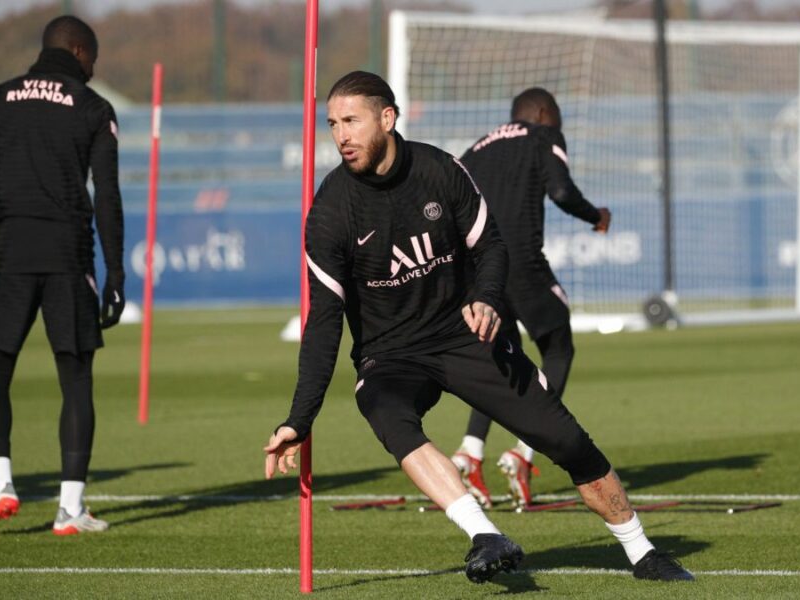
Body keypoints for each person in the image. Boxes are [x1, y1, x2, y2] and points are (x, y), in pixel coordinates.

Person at [263, 71, 693, 584]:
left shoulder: (441, 170)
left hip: (464, 334)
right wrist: (299, 418)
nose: (340, 136)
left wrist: (488, 299)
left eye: (351, 121)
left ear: (387, 117)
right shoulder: (330, 212)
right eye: (332, 123)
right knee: (385, 410)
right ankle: (484, 534)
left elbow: (491, 245)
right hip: (391, 352)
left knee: (569, 442)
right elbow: (323, 325)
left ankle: (643, 552)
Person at [0, 15, 124, 538]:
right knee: (75, 380)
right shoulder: (94, 108)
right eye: (92, 59)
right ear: (77, 51)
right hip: (69, 260)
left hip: (8, 257)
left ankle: (0, 484)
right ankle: (69, 509)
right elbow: (108, 197)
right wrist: (115, 272)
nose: (93, 71)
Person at [450, 88, 611, 510]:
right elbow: (560, 191)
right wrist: (596, 215)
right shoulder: (542, 136)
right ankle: (522, 451)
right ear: (542, 114)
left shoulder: (475, 149)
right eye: (556, 119)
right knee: (558, 349)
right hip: (520, 263)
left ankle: (470, 451)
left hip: (477, 272)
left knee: (502, 357)